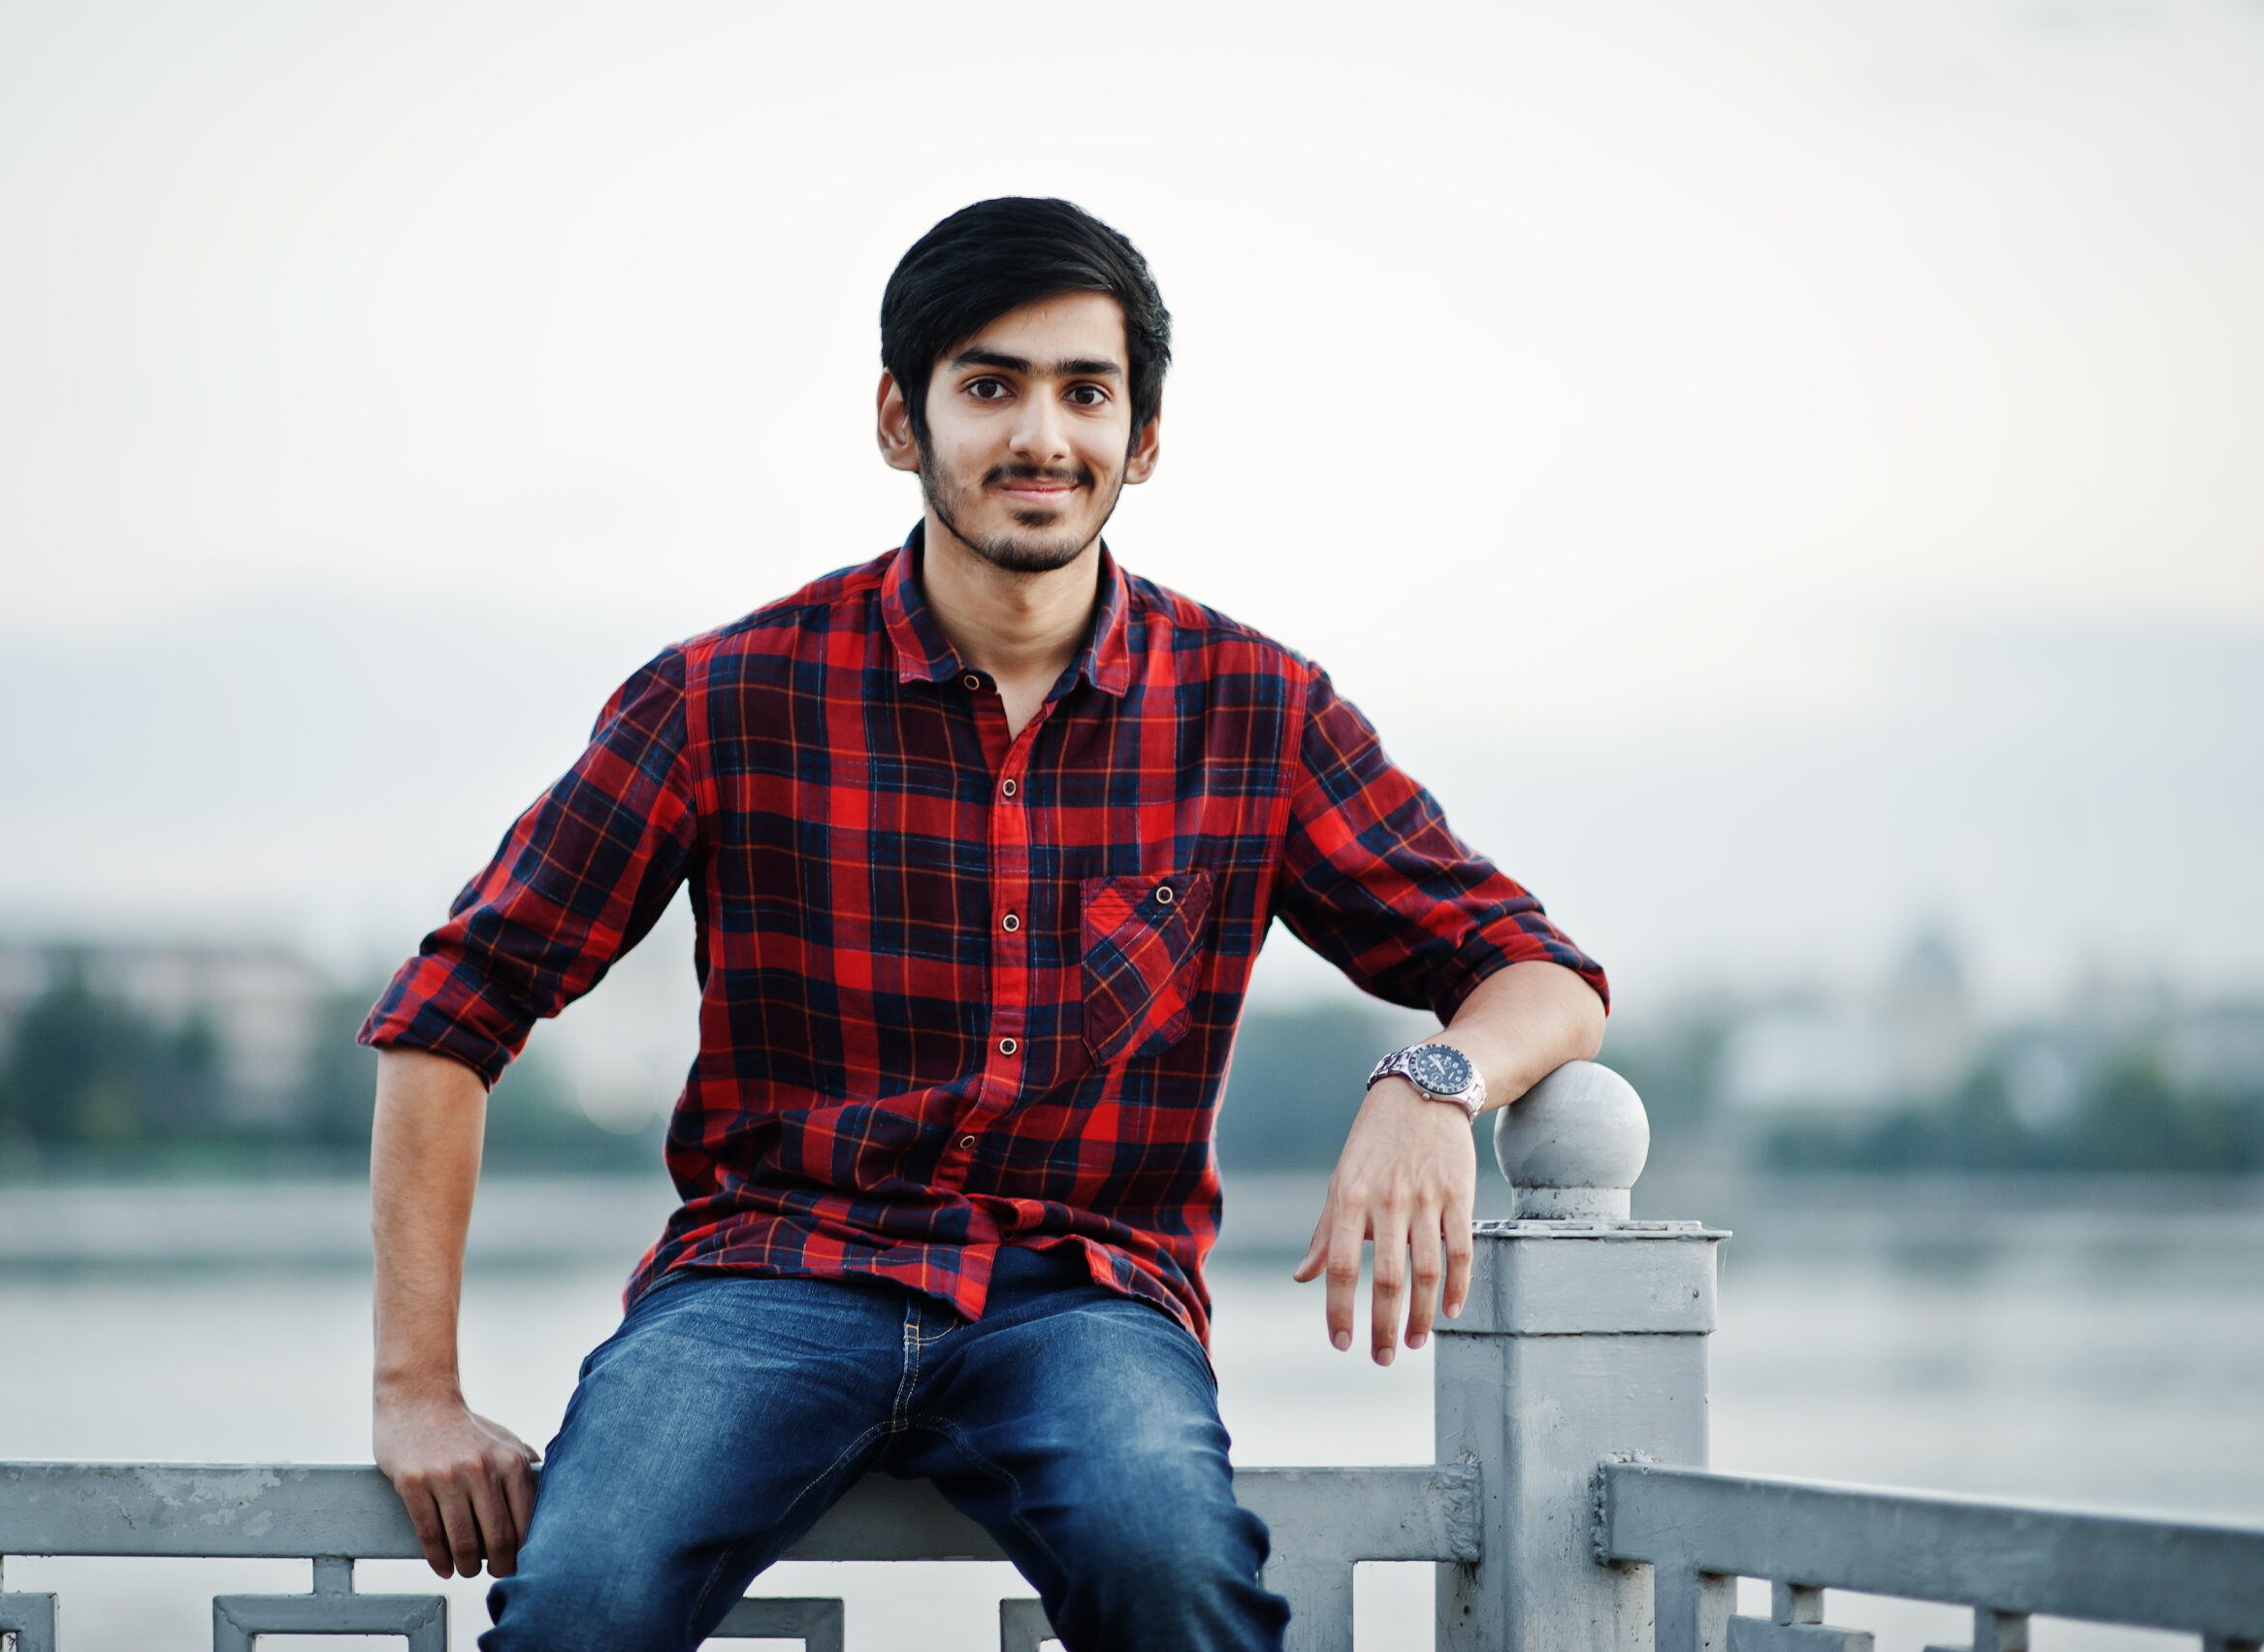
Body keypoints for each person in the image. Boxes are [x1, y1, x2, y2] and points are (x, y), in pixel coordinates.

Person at [361, 196, 1608, 1652]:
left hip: (1084, 1302)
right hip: (766, 1279)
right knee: (580, 1601)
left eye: (1085, 392)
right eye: (990, 385)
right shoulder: (729, 695)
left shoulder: (1254, 711)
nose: (1041, 436)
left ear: (1143, 440)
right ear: (902, 419)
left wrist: (1430, 1083)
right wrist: (417, 1393)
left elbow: (1541, 971)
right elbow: (456, 1006)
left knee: (1179, 1583)